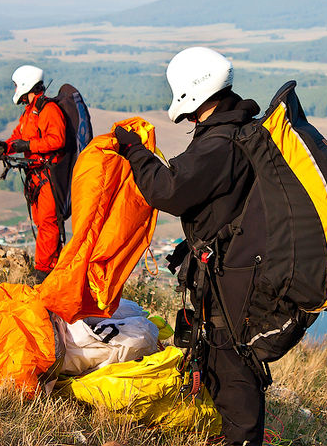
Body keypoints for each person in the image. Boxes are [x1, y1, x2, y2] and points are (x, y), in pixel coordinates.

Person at [114, 46, 265, 446]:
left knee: (230, 361)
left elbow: (169, 189)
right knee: (220, 355)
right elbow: (224, 205)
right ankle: (233, 432)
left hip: (231, 277)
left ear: (194, 94)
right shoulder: (238, 129)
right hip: (232, 265)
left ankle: (242, 439)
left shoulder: (220, 144)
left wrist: (135, 153)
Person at [0, 64, 66, 280]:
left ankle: (45, 271)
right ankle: (46, 267)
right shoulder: (30, 112)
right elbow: (19, 136)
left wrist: (28, 146)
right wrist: (6, 146)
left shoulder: (49, 110)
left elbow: (57, 139)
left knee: (48, 222)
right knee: (40, 221)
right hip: (36, 175)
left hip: (49, 175)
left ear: (26, 85)